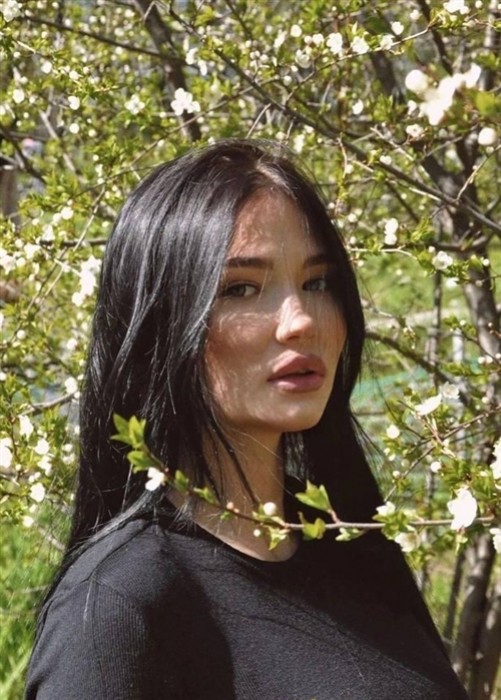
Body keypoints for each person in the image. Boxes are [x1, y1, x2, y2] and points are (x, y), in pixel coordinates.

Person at [25, 139, 468, 699]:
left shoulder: (354, 545)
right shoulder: (120, 608)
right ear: (163, 324)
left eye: (317, 282)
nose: (301, 321)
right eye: (240, 288)